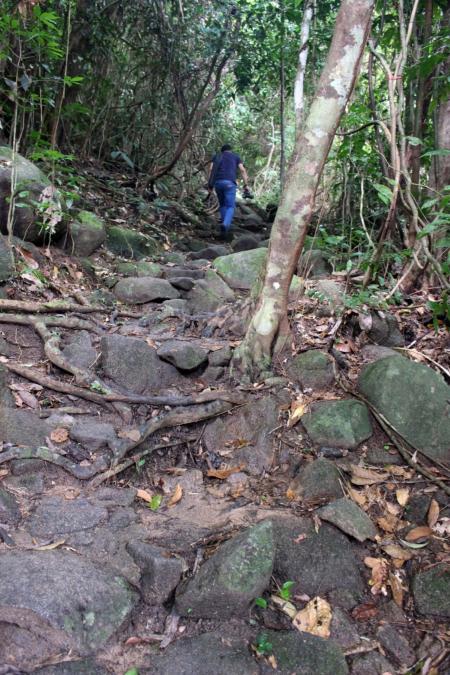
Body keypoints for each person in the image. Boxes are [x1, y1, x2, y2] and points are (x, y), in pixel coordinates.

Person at [208, 144, 250, 240]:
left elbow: (211, 169)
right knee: (230, 206)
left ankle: (224, 230)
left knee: (222, 205)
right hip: (230, 184)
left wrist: (209, 184)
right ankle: (226, 225)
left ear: (222, 151)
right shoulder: (236, 157)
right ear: (230, 150)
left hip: (218, 183)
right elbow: (242, 170)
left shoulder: (217, 156)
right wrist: (246, 185)